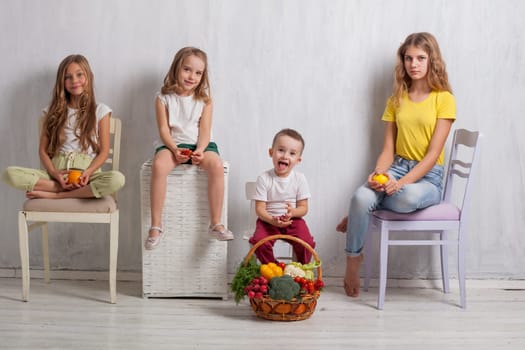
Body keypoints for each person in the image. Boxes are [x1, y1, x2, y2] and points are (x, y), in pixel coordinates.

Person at [336, 32, 456, 297]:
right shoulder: (396, 99)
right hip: (397, 167)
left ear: (431, 60)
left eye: (421, 58)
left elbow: (432, 154)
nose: (414, 64)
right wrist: (380, 172)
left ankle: (362, 212)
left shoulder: (444, 99)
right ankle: (353, 259)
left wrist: (400, 183)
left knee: (405, 198)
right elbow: (388, 149)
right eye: (409, 58)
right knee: (360, 195)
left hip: (428, 177)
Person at [144, 47, 233, 250]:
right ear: (176, 68)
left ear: (203, 76)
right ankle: (156, 225)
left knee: (217, 166)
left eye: (198, 73)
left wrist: (201, 149)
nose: (192, 76)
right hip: (173, 144)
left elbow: (205, 130)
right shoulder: (162, 98)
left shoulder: (205, 101)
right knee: (158, 166)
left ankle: (216, 223)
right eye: (187, 69)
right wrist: (175, 149)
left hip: (200, 143)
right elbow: (164, 130)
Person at [2, 54, 125, 200]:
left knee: (117, 179)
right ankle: (62, 188)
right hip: (56, 175)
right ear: (62, 81)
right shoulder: (52, 112)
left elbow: (104, 152)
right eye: (68, 77)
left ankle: (57, 195)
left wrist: (88, 172)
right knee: (9, 174)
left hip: (88, 176)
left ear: (89, 77)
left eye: (79, 75)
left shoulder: (101, 110)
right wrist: (55, 174)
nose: (74, 81)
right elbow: (42, 151)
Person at [249, 128, 316, 264]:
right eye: (281, 150)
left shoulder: (299, 179)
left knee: (306, 242)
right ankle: (274, 269)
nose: (285, 156)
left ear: (298, 160)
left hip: (293, 221)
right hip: (268, 221)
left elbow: (304, 208)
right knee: (259, 242)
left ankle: (301, 270)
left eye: (292, 153)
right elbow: (260, 209)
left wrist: (293, 212)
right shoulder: (264, 178)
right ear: (271, 152)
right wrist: (271, 220)